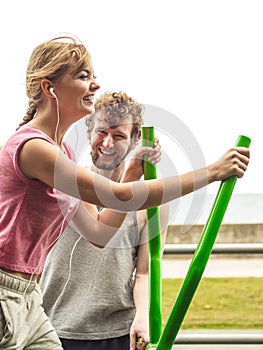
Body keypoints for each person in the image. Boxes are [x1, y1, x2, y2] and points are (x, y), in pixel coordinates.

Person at [0, 34, 250, 349]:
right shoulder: (33, 148)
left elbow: (99, 231)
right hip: (4, 296)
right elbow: (114, 197)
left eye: (92, 75)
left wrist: (131, 175)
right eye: (83, 76)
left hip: (28, 299)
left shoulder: (58, 151)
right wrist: (212, 172)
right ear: (50, 88)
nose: (94, 84)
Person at [41, 91, 169, 350]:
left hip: (119, 332)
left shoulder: (152, 203)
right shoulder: (66, 183)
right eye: (101, 132)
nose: (108, 143)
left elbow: (144, 273)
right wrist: (129, 179)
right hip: (53, 327)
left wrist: (142, 316)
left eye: (119, 135)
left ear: (135, 141)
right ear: (89, 132)